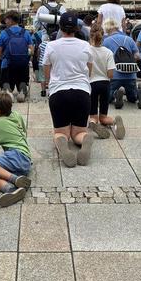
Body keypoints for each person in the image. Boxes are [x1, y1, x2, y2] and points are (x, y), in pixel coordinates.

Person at [43, 12, 94, 167]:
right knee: (79, 132)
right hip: (82, 92)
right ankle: (84, 140)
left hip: (59, 93)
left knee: (60, 132)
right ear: (77, 28)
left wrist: (48, 83)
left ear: (60, 27)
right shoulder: (86, 45)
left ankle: (62, 144)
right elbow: (89, 69)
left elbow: (46, 68)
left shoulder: (51, 45)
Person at [0, 91, 32, 207]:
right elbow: (23, 131)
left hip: (16, 156)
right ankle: (11, 190)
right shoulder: (17, 115)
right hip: (26, 161)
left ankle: (15, 179)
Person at [88, 24, 124, 140]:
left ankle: (93, 124)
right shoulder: (108, 52)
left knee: (93, 116)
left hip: (92, 84)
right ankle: (114, 121)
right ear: (103, 36)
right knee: (103, 117)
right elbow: (110, 74)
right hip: (105, 84)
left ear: (90, 36)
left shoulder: (87, 51)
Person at [102, 18, 141, 110]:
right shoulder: (129, 39)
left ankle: (116, 93)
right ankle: (138, 93)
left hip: (115, 74)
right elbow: (138, 56)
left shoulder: (106, 41)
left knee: (108, 98)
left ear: (106, 28)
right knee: (132, 98)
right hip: (130, 73)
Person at [0, 10, 33, 103]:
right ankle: (22, 91)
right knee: (22, 80)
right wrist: (23, 57)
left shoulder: (4, 33)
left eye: (6, 19)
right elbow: (31, 50)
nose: (5, 21)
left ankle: (8, 92)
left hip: (7, 64)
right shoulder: (26, 32)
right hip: (22, 64)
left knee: (6, 82)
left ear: (10, 20)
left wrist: (4, 58)